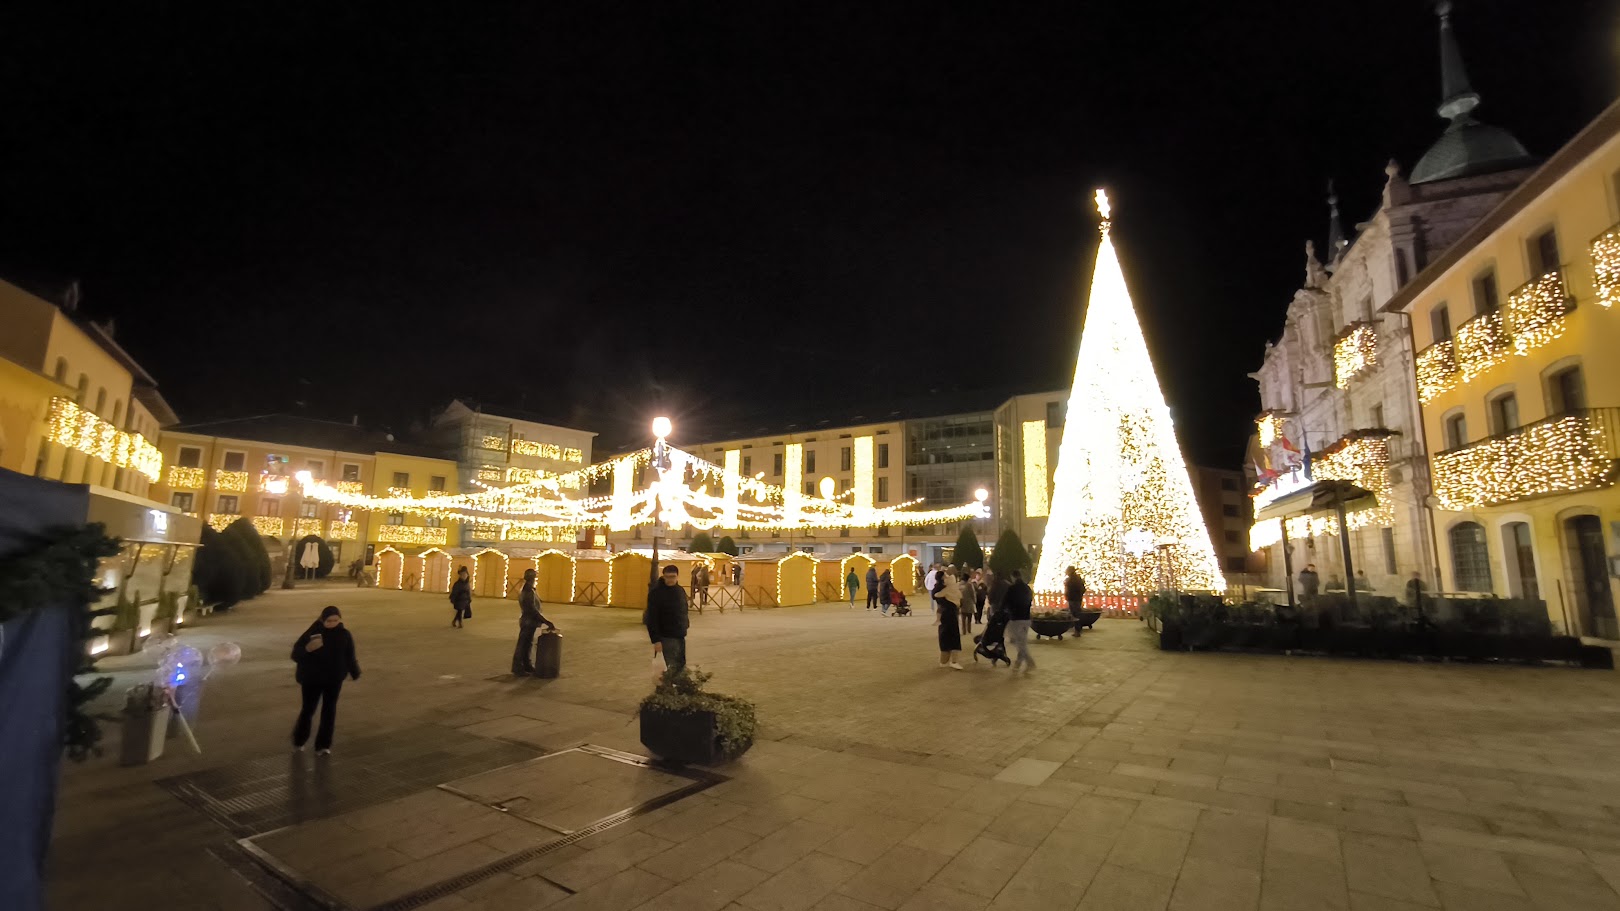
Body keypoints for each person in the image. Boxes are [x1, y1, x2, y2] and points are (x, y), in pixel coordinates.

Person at [290, 606, 360, 755]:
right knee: (308, 710)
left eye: (336, 620)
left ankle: (323, 745)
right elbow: (295, 654)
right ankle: (299, 740)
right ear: (322, 620)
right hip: (312, 680)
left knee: (329, 711)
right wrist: (308, 649)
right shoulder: (313, 633)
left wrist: (355, 672)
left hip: (333, 680)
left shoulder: (344, 635)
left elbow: (350, 655)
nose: (332, 623)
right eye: (329, 621)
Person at [645, 564, 690, 673]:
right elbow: (651, 618)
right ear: (663, 576)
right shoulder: (656, 593)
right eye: (667, 577)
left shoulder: (680, 590)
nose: (670, 580)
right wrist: (656, 640)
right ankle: (668, 685)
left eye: (673, 577)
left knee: (680, 667)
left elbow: (684, 610)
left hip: (680, 635)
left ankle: (678, 683)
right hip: (665, 637)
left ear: (677, 576)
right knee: (669, 669)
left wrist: (685, 625)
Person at [512, 569, 555, 675]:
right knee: (523, 644)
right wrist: (546, 621)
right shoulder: (528, 591)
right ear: (532, 578)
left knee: (527, 644)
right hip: (528, 621)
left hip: (529, 621)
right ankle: (518, 667)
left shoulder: (528, 589)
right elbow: (532, 610)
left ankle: (526, 665)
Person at [1004, 569, 1035, 672]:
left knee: (1016, 641)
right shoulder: (1027, 588)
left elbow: (1005, 602)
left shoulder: (1012, 588)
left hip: (1016, 618)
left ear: (1013, 577)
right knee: (1022, 642)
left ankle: (1029, 662)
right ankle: (1018, 662)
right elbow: (1030, 600)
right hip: (1026, 618)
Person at [933, 568, 964, 669]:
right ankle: (953, 661)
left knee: (944, 637)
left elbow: (936, 596)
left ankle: (944, 661)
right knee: (953, 636)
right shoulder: (950, 589)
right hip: (951, 614)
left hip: (945, 614)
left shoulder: (940, 589)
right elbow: (960, 599)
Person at [958, 570, 975, 636]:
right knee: (969, 617)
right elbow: (972, 594)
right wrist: (974, 601)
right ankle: (969, 629)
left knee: (963, 618)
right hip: (969, 602)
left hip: (961, 602)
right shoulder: (969, 585)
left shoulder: (959, 584)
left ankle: (963, 630)